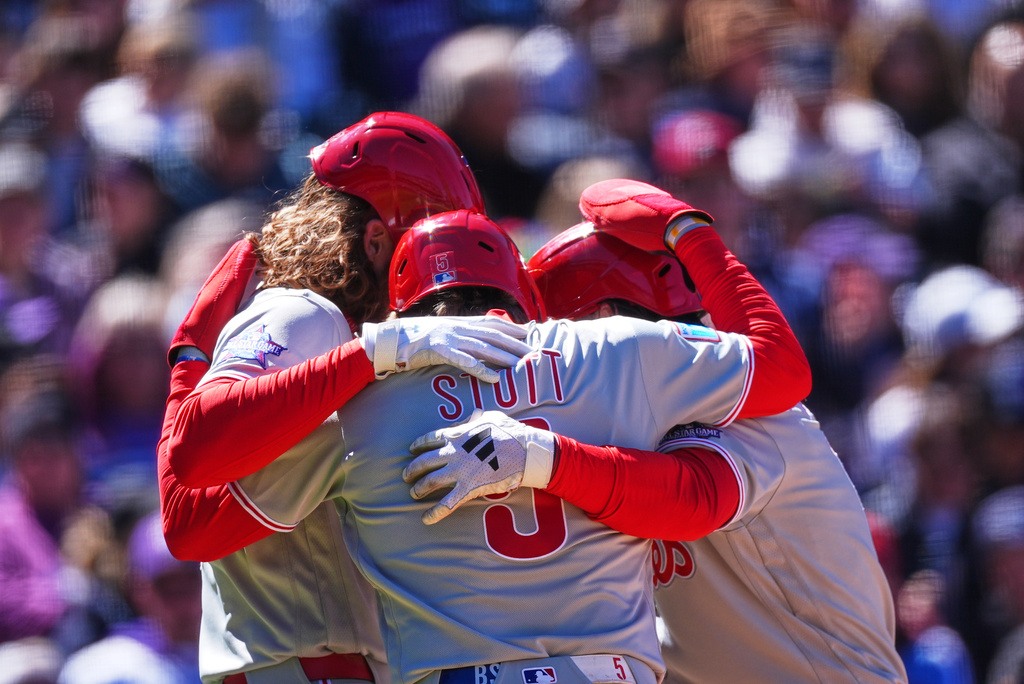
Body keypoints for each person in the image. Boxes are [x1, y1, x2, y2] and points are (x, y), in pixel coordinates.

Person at [193, 164, 815, 684]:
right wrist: (686, 228)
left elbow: (196, 521)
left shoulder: (354, 409)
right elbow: (785, 371)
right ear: (518, 283)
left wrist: (191, 364)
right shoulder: (613, 350)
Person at [405, 184, 907, 683]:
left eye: (559, 335)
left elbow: (694, 497)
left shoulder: (747, 410)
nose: (549, 363)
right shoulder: (636, 417)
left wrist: (542, 458)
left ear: (602, 322)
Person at [157, 111, 535, 684]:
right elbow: (196, 463)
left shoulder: (354, 330)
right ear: (376, 240)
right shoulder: (306, 314)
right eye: (423, 242)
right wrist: (379, 351)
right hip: (305, 664)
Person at [58, 511, 203, 684]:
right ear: (138, 589)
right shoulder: (105, 668)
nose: (182, 603)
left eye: (189, 586)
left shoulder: (233, 655)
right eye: (169, 590)